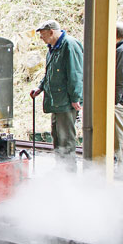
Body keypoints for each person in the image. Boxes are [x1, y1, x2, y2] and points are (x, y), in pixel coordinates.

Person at [30, 20, 83, 157]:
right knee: (57, 135)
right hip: (56, 100)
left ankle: (69, 171)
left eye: (42, 35)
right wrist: (40, 87)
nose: (41, 38)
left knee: (65, 137)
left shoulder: (70, 45)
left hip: (66, 100)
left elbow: (76, 73)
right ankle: (60, 169)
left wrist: (76, 97)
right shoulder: (52, 48)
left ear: (51, 32)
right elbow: (49, 74)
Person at [114, 22, 123, 166]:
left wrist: (114, 100)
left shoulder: (120, 51)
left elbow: (119, 78)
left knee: (119, 136)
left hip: (120, 102)